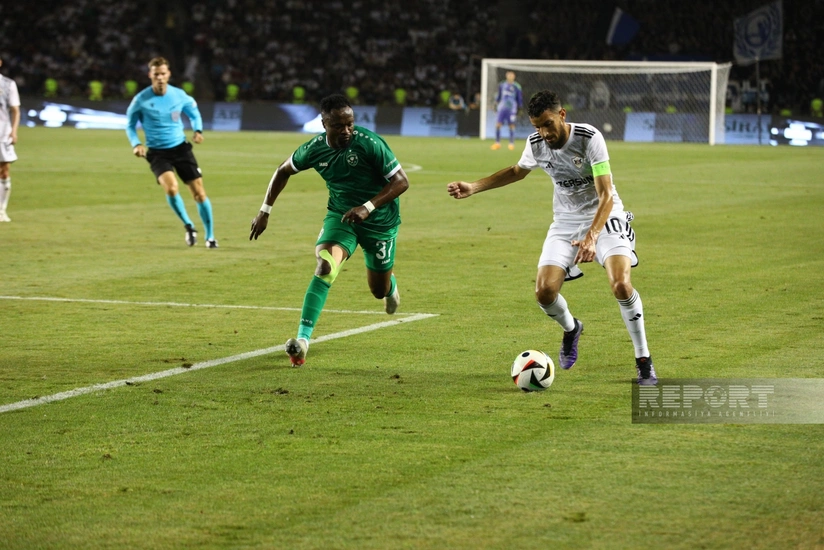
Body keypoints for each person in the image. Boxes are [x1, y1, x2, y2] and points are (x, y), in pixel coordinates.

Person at [447, 90, 657, 385]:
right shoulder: (536, 143)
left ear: (561, 115)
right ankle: (572, 329)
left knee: (621, 284)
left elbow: (606, 194)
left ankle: (644, 361)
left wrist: (592, 236)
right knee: (544, 293)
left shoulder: (588, 137)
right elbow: (516, 172)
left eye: (547, 124)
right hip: (565, 222)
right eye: (536, 126)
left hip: (605, 216)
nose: (543, 133)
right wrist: (473, 186)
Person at [249, 94, 410, 366]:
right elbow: (283, 170)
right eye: (339, 126)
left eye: (350, 124)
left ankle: (390, 287)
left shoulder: (370, 144)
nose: (347, 131)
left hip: (380, 221)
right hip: (341, 217)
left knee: (378, 291)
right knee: (324, 267)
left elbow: (401, 182)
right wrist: (265, 210)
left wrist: (368, 206)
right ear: (324, 124)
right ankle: (302, 340)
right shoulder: (313, 149)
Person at [126, 57, 217, 248]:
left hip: (180, 148)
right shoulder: (140, 100)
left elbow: (194, 113)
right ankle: (189, 226)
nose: (160, 77)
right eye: (156, 74)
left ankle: (210, 236)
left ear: (169, 75)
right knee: (171, 188)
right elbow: (130, 125)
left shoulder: (179, 95)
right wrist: (136, 144)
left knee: (199, 193)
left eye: (163, 74)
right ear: (150, 75)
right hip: (158, 153)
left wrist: (198, 130)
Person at [0, 57, 21, 222]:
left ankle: (1, 210)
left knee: (4, 170)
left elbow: (15, 110)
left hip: (2, 133)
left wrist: (14, 131)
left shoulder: (8, 84)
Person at [491, 70, 523, 151]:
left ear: (514, 76)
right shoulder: (502, 84)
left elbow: (519, 98)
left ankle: (511, 144)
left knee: (511, 125)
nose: (510, 76)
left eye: (511, 75)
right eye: (508, 75)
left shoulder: (517, 86)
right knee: (498, 124)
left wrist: (520, 107)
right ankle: (497, 143)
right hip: (502, 107)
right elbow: (499, 95)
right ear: (506, 76)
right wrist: (496, 103)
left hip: (511, 107)